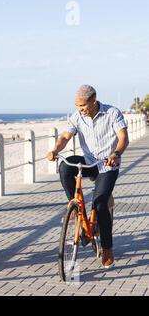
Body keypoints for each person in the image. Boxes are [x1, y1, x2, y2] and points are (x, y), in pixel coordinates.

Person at [47, 85, 129, 268]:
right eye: (77, 106)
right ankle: (75, 208)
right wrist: (55, 149)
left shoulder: (112, 113)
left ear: (93, 101)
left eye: (83, 106)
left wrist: (116, 154)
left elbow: (123, 137)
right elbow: (65, 136)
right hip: (88, 161)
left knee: (100, 204)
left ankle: (107, 247)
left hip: (108, 165)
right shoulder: (77, 117)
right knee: (65, 167)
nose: (80, 110)